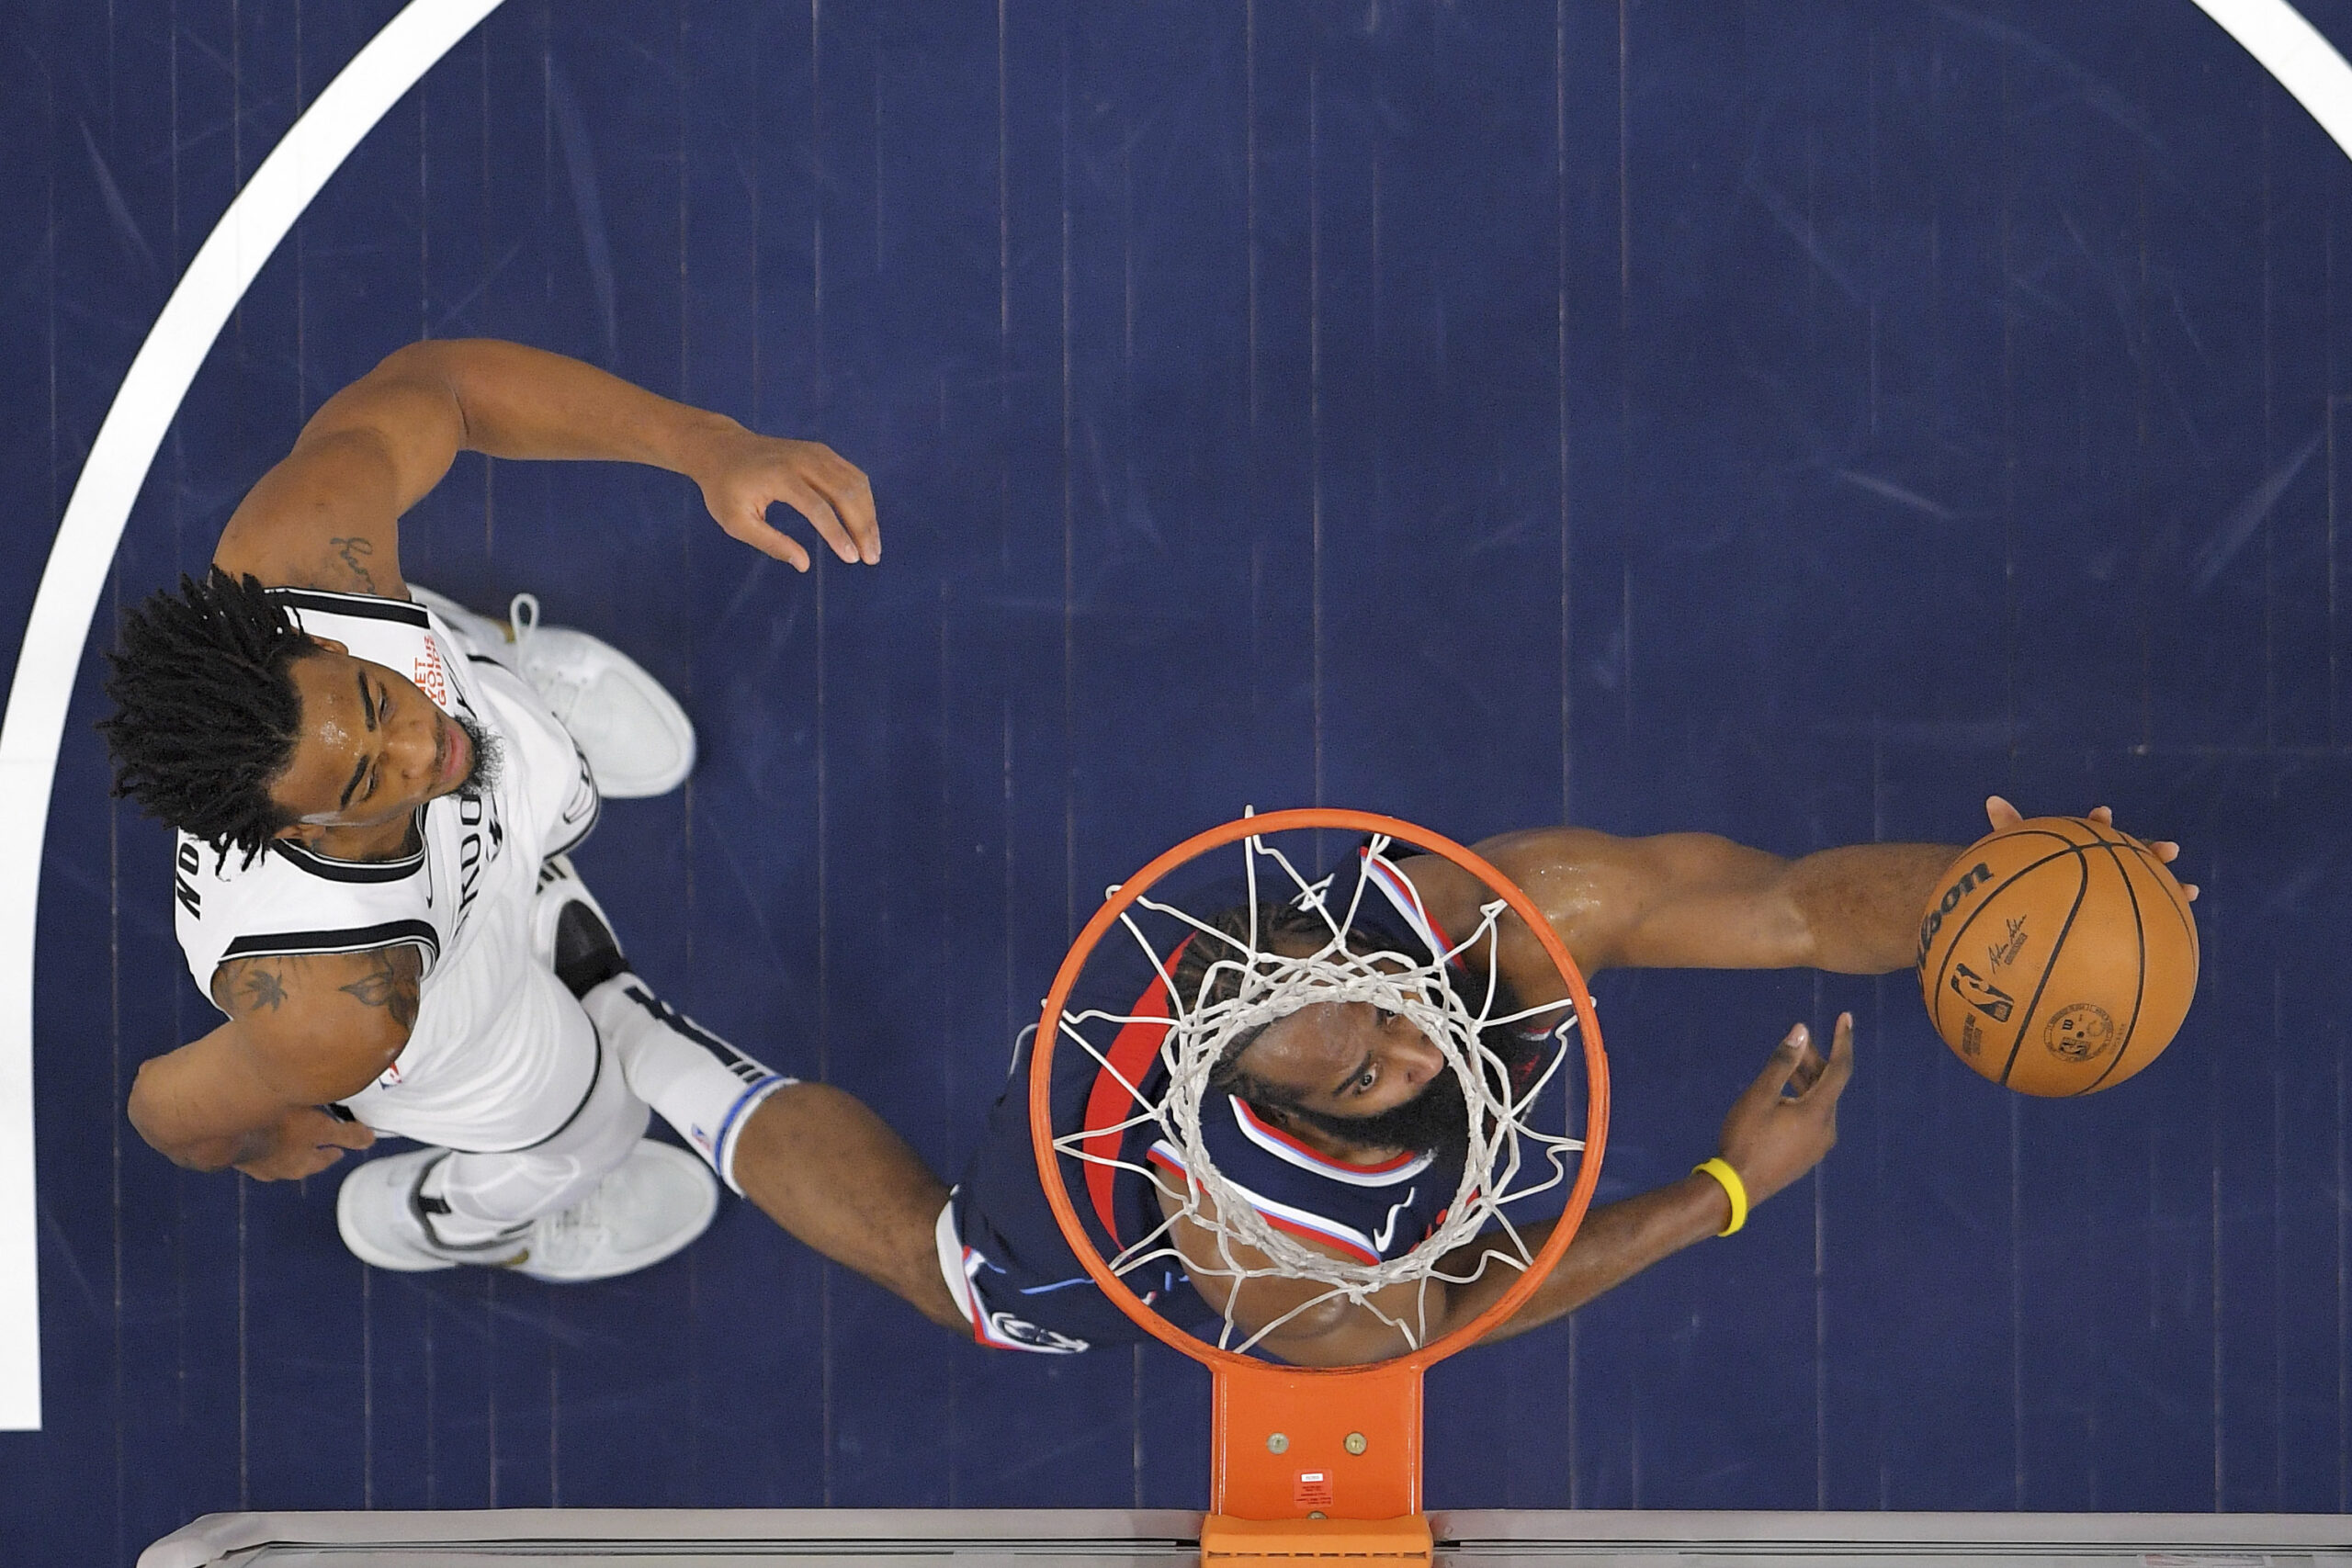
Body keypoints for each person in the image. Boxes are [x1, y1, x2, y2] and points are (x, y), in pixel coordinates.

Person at [716, 800, 2195, 1363]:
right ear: (1293, 1119)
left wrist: (1994, 896)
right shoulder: (1262, 1240)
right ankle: (644, 1035)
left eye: (1386, 1006)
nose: (1422, 1043)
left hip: (1216, 1045)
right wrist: (1722, 1186)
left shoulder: (1466, 927)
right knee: (950, 1274)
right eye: (1368, 1072)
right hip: (1085, 1179)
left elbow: (1799, 905)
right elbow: (1465, 1295)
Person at [106, 338, 938, 1284]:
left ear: (322, 646)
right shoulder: (335, 1007)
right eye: (368, 779)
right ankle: (459, 1221)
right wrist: (256, 1139)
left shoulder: (307, 559)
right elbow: (162, 1108)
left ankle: (490, 661)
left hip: (455, 766)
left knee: (469, 693)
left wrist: (706, 445)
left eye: (377, 703)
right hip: (445, 994)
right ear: (297, 831)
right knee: (595, 1124)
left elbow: (446, 391)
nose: (426, 748)